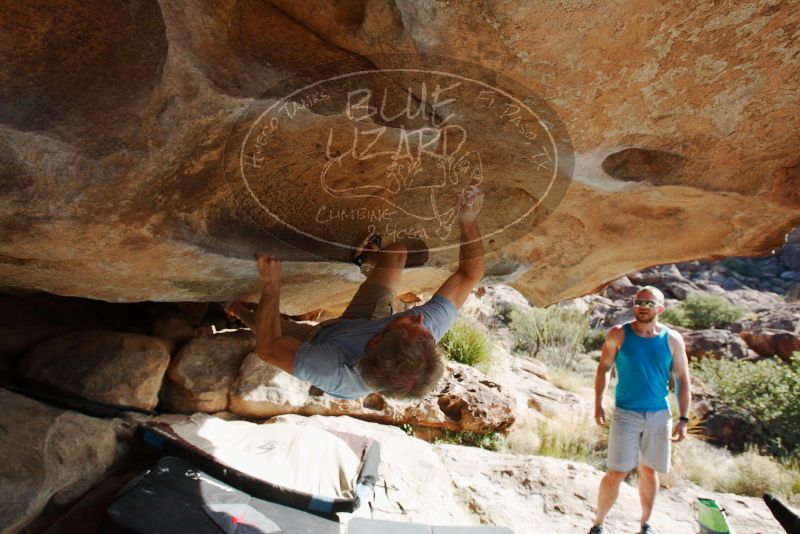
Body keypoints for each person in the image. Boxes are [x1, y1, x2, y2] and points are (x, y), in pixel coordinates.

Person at [234, 184, 484, 400]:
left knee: (274, 328)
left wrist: (271, 284)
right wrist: (468, 222)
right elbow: (468, 276)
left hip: (322, 342)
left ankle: (235, 310)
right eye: (424, 330)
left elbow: (268, 348)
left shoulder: (331, 370)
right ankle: (368, 260)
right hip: (367, 321)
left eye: (410, 322)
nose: (419, 317)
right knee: (395, 254)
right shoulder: (421, 335)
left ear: (376, 341)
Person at [589, 286, 692, 534]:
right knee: (616, 471)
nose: (642, 307)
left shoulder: (672, 339)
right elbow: (604, 368)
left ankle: (645, 524)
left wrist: (684, 419)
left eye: (648, 303)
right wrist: (598, 402)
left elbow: (683, 379)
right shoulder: (618, 334)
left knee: (649, 470)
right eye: (638, 302)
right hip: (626, 414)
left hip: (659, 415)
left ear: (660, 308)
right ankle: (598, 524)